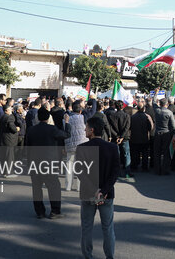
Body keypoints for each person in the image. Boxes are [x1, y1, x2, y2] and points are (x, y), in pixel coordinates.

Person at [77, 117, 120, 259]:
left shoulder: (82, 148)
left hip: (88, 194)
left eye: (86, 127)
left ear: (92, 129)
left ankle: (88, 255)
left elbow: (80, 172)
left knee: (87, 227)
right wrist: (103, 191)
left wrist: (94, 190)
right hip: (107, 194)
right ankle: (109, 256)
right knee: (108, 228)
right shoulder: (113, 147)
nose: (85, 129)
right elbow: (115, 172)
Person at [25, 106, 71, 218]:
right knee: (53, 186)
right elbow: (66, 135)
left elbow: (27, 148)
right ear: (48, 117)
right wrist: (67, 123)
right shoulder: (52, 129)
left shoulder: (31, 130)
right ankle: (55, 211)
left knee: (36, 188)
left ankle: (40, 212)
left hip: (35, 162)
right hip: (49, 163)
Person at [64, 101, 88, 192]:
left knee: (69, 165)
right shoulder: (83, 118)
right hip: (82, 144)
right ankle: (79, 187)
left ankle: (68, 186)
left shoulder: (66, 119)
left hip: (70, 145)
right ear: (80, 111)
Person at [153, 98, 175, 175]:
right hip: (166, 134)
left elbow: (153, 103)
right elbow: (173, 126)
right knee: (166, 152)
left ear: (160, 104)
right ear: (167, 104)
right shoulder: (169, 112)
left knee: (157, 152)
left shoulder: (157, 110)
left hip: (157, 133)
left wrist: (155, 94)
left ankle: (157, 170)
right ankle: (165, 170)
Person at [130, 101, 154, 171]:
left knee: (135, 153)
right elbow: (150, 128)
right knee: (145, 153)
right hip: (144, 138)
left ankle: (134, 166)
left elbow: (130, 127)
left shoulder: (133, 117)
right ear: (143, 108)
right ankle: (144, 167)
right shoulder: (147, 117)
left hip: (135, 137)